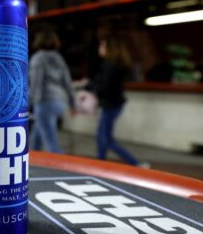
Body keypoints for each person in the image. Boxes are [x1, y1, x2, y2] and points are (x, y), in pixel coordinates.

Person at [88, 37, 141, 166]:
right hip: (114, 103)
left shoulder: (110, 65)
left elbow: (104, 86)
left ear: (109, 49)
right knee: (102, 137)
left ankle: (135, 163)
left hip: (111, 104)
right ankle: (100, 163)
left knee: (106, 139)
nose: (99, 49)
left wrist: (90, 86)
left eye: (102, 46)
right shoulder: (115, 64)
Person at [29, 30, 75, 153]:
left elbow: (36, 83)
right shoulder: (59, 58)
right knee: (35, 139)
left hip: (44, 102)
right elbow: (67, 82)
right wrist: (72, 102)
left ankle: (63, 167)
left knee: (51, 144)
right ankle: (32, 159)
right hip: (58, 102)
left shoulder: (38, 58)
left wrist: (29, 103)